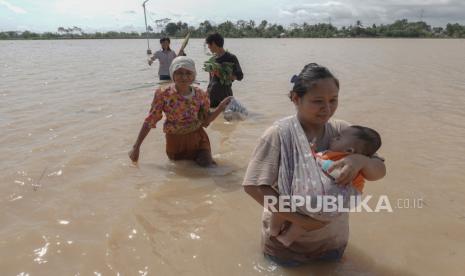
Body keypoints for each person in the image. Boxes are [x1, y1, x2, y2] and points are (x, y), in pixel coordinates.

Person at [242, 63, 386, 266]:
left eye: (333, 100)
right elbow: (254, 187)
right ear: (295, 98)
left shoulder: (344, 132)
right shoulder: (278, 134)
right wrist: (303, 221)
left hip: (332, 241)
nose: (327, 109)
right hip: (285, 245)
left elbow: (379, 172)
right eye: (317, 101)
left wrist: (359, 160)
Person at [270, 125, 383, 247]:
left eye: (338, 138)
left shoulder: (339, 157)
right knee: (310, 217)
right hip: (335, 208)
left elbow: (323, 165)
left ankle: (274, 229)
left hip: (321, 197)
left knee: (284, 201)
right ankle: (287, 238)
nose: (333, 138)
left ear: (349, 150)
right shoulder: (359, 162)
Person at [129, 56, 232, 167]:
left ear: (194, 76)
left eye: (188, 73)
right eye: (179, 73)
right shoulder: (163, 94)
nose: (184, 77)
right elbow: (150, 120)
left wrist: (220, 107)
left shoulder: (201, 94)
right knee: (181, 171)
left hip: (198, 139)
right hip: (175, 142)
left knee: (207, 167)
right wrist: (136, 146)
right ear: (172, 75)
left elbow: (205, 121)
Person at [205, 32, 244, 108]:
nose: (208, 47)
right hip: (211, 96)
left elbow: (240, 76)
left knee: (225, 119)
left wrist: (223, 75)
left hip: (225, 97)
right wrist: (207, 92)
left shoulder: (231, 57)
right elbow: (211, 80)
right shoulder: (212, 59)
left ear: (213, 43)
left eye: (209, 45)